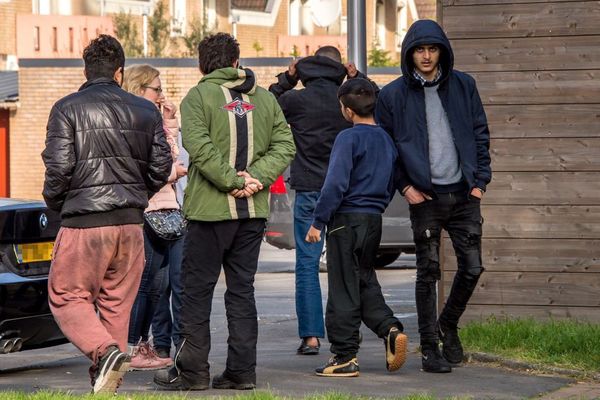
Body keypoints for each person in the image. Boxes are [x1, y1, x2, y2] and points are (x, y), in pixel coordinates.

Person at [153, 32, 295, 391]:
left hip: (208, 214)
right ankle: (242, 373)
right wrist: (255, 179)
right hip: (251, 213)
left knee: (196, 292)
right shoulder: (263, 98)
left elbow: (198, 148)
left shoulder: (197, 97)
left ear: (203, 64)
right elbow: (285, 144)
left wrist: (231, 181)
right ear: (236, 61)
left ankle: (193, 373)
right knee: (242, 291)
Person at [41, 35, 172, 394]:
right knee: (117, 303)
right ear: (120, 72)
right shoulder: (147, 110)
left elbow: (58, 169)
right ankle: (107, 383)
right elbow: (162, 166)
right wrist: (136, 197)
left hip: (85, 221)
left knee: (67, 295)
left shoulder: (66, 108)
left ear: (86, 70)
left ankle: (106, 353)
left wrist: (58, 206)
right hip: (130, 223)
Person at [375, 19, 492, 373]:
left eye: (432, 49)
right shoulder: (391, 95)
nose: (426, 56)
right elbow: (387, 148)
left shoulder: (464, 86)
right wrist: (406, 188)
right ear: (409, 54)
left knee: (472, 267)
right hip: (424, 198)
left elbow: (480, 133)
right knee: (428, 273)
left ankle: (448, 325)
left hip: (464, 194)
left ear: (442, 51)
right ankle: (429, 348)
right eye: (419, 50)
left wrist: (479, 182)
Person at [269, 46, 376, 355]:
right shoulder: (348, 101)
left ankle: (312, 337)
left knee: (307, 263)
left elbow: (265, 103)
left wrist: (287, 79)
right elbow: (377, 103)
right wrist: (359, 77)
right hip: (345, 193)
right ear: (339, 67)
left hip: (309, 192)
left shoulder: (295, 100)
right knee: (347, 265)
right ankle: (347, 333)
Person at [305, 78, 408, 377]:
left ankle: (344, 355)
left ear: (347, 110)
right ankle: (389, 329)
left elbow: (335, 184)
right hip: (373, 220)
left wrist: (318, 221)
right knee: (363, 280)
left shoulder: (347, 139)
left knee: (342, 288)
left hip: (345, 222)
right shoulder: (386, 139)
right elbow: (391, 184)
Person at [122, 64, 187, 371]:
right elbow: (153, 168)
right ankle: (133, 346)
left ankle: (147, 346)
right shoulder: (134, 123)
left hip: (169, 209)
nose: (162, 95)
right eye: (157, 89)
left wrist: (171, 123)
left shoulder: (154, 121)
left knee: (161, 285)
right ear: (139, 90)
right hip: (147, 211)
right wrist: (172, 173)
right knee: (145, 284)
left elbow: (172, 155)